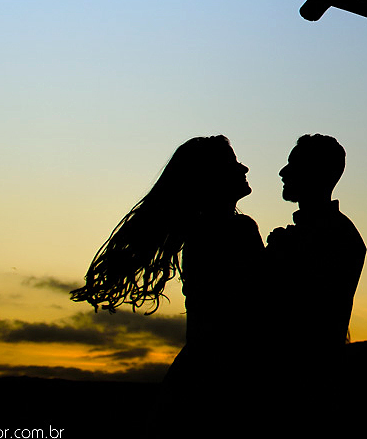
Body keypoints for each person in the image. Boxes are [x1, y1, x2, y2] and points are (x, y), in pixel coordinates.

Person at [70, 136, 263, 402]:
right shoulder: (235, 231)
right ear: (210, 178)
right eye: (233, 164)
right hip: (224, 375)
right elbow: (257, 304)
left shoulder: (202, 232)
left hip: (199, 371)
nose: (244, 169)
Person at [266, 134, 366, 389]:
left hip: (303, 381)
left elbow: (300, 315)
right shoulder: (319, 232)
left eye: (294, 164)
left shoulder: (338, 237)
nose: (283, 171)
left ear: (318, 173)